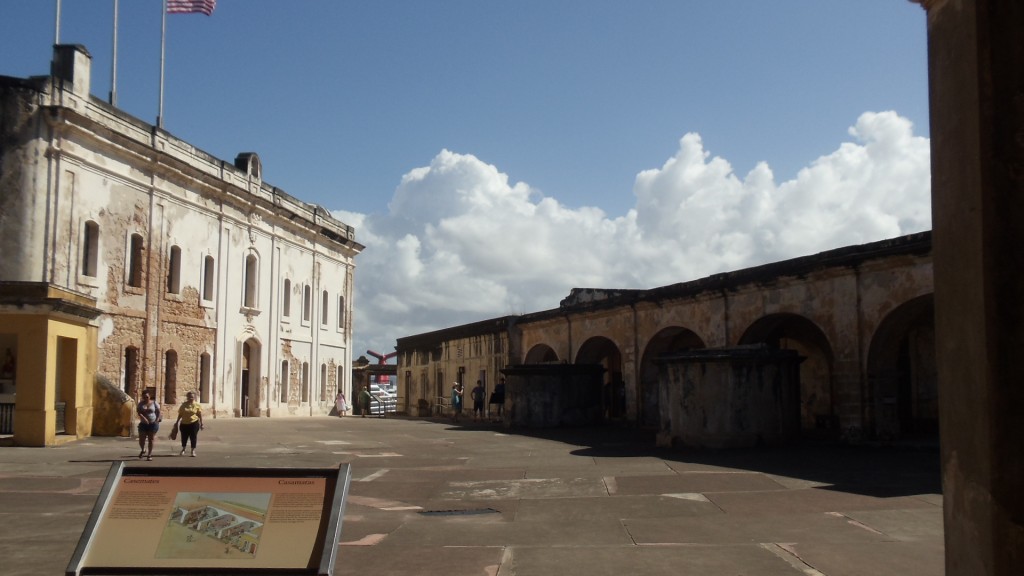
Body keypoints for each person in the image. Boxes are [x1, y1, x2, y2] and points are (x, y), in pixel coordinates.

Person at [174, 391, 204, 457]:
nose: (191, 398)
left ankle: (193, 451)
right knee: (184, 437)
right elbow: (180, 414)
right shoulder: (184, 405)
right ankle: (183, 449)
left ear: (194, 397)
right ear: (187, 397)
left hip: (194, 423)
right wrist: (177, 422)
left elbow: (199, 415)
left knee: (193, 437)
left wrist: (202, 423)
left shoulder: (197, 405)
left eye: (192, 397)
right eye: (189, 397)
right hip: (184, 423)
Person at [136, 392, 161, 461]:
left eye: (147, 397)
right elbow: (138, 412)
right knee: (141, 439)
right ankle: (143, 449)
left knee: (151, 439)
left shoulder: (154, 403)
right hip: (143, 424)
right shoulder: (141, 404)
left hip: (153, 423)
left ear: (149, 396)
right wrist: (144, 418)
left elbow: (158, 411)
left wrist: (157, 419)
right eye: (144, 397)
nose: (145, 398)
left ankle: (149, 455)